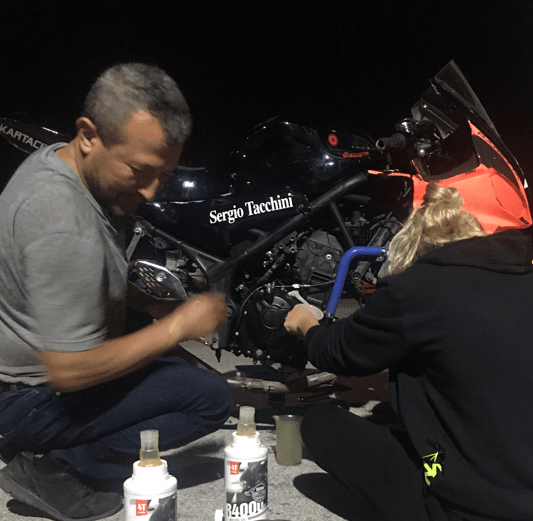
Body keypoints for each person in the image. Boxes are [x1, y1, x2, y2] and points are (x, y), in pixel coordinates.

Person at [0, 63, 233, 521]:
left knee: (171, 368)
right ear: (88, 135)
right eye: (139, 171)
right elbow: (68, 370)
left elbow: (80, 279)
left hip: (20, 374)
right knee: (209, 398)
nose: (151, 191)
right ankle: (57, 472)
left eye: (164, 174)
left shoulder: (62, 164)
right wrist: (176, 327)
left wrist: (148, 304)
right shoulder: (63, 222)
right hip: (26, 394)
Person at [284, 182, 533, 520]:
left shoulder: (419, 288)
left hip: (467, 510)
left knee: (320, 423)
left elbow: (337, 352)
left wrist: (306, 325)